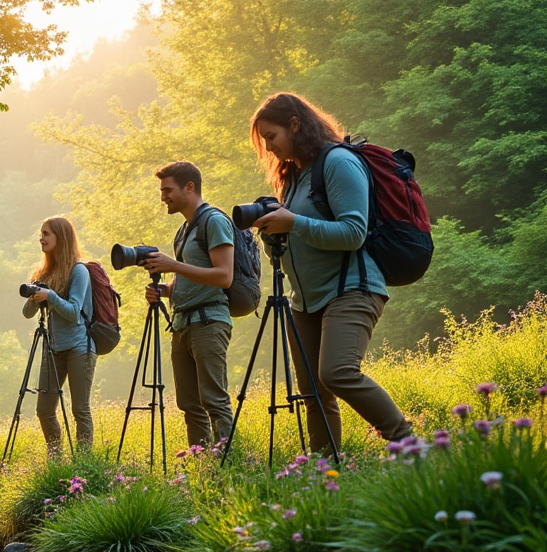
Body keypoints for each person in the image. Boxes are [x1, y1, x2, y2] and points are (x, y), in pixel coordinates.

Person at [248, 92, 412, 451]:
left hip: (351, 287)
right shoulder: (294, 175)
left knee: (337, 373)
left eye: (271, 137)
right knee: (313, 392)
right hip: (304, 300)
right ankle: (325, 472)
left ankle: (410, 444)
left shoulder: (338, 162)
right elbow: (295, 234)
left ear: (294, 125)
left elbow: (353, 233)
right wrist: (272, 231)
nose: (269, 148)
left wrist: (292, 222)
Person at [139, 161, 236, 449]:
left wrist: (173, 265)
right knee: (189, 404)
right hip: (182, 324)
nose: (162, 197)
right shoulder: (184, 230)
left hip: (209, 322)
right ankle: (202, 462)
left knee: (214, 400)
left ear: (189, 187)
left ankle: (228, 463)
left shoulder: (214, 221)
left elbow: (224, 276)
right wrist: (164, 290)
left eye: (167, 189)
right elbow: (188, 280)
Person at [22, 216, 96, 456]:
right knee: (44, 409)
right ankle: (55, 459)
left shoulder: (79, 271)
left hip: (79, 347)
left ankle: (84, 464)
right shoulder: (44, 272)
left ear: (61, 238)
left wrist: (50, 296)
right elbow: (27, 313)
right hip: (53, 348)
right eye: (41, 233)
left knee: (80, 410)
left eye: (46, 234)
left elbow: (75, 312)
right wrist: (36, 295)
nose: (41, 238)